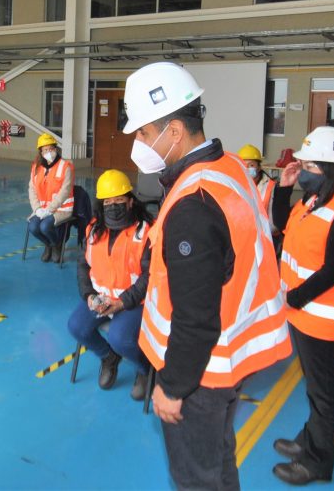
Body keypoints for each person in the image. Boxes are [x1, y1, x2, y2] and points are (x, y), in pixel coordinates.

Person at [124, 62, 291, 490]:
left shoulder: (193, 204)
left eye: (143, 133)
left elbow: (195, 316)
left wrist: (173, 387)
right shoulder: (228, 167)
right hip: (230, 358)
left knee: (196, 478)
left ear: (174, 131)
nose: (137, 144)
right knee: (218, 461)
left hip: (202, 374)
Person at [270, 127, 334, 485]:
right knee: (315, 386)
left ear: (330, 168)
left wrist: (293, 298)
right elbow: (282, 225)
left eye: (309, 164)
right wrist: (284, 186)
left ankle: (317, 462)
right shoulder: (315, 202)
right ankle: (309, 440)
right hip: (305, 314)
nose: (304, 169)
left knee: (324, 392)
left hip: (326, 320)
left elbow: (333, 271)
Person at [67, 169, 153, 400]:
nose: (113, 205)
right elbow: (83, 266)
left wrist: (122, 302)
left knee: (120, 338)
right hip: (101, 298)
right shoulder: (94, 229)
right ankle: (108, 357)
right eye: (108, 201)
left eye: (119, 200)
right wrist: (89, 296)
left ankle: (145, 369)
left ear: (130, 201)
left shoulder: (146, 231)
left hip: (135, 301)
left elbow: (151, 275)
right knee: (76, 326)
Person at [28, 133, 74, 263]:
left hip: (61, 209)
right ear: (41, 152)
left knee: (45, 227)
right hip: (41, 210)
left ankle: (56, 245)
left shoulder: (65, 166)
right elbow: (31, 189)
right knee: (33, 227)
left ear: (56, 149)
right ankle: (49, 244)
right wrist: (37, 209)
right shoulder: (36, 167)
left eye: (51, 149)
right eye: (46, 150)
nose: (49, 152)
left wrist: (49, 209)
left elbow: (65, 191)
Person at [238, 143, 281, 250]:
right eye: (244, 165)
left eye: (251, 165)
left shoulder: (271, 186)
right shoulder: (236, 185)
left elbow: (275, 221)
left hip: (267, 239)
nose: (247, 168)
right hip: (244, 238)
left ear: (259, 167)